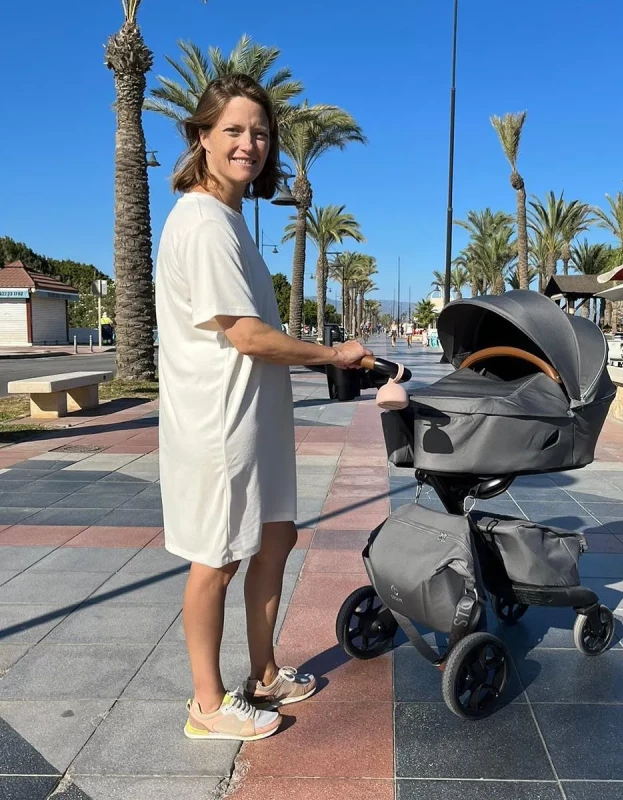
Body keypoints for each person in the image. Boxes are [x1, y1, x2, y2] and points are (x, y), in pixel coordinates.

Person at [155, 74, 370, 742]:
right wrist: (331, 356)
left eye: (259, 131)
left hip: (254, 419)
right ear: (201, 136)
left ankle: (265, 673)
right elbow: (245, 336)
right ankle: (206, 705)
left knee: (274, 538)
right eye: (233, 130)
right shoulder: (203, 221)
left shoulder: (230, 218)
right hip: (219, 424)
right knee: (215, 559)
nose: (249, 143)